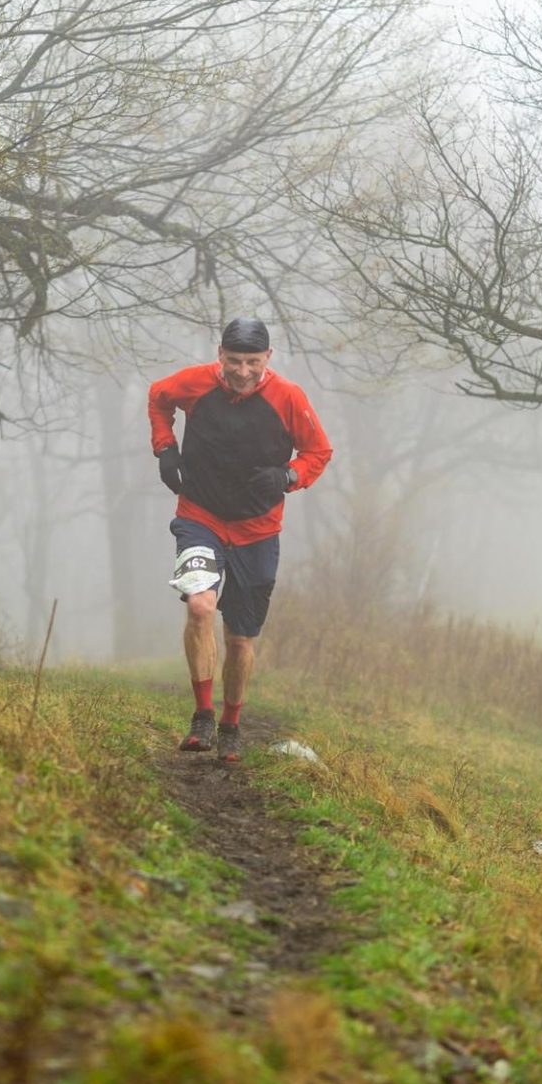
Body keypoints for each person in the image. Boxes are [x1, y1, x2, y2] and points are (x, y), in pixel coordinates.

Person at [147, 317, 332, 761]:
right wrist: (166, 448)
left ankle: (231, 724)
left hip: (258, 529)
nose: (243, 371)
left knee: (240, 639)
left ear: (268, 357)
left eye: (252, 362)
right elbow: (158, 396)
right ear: (220, 355)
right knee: (200, 606)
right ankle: (203, 717)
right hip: (200, 516)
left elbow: (318, 452)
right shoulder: (195, 384)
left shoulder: (288, 397)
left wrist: (288, 476)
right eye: (234, 361)